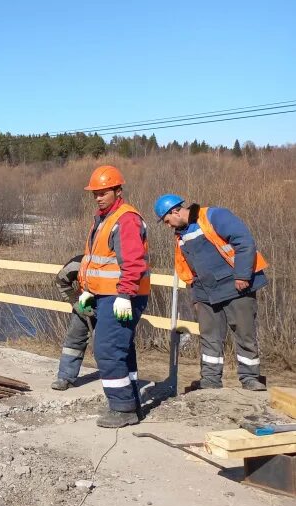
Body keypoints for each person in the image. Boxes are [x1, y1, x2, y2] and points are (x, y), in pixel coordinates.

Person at [154, 194, 268, 391]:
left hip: (237, 287)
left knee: (244, 333)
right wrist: (197, 297)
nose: (168, 226)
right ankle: (210, 379)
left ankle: (250, 378)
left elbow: (245, 242)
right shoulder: (181, 236)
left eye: (167, 221)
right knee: (209, 336)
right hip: (206, 292)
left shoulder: (214, 216)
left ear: (175, 211)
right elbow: (191, 270)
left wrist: (242, 276)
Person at [75, 165, 150, 427]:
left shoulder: (125, 219)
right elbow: (98, 263)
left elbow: (132, 261)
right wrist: (87, 290)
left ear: (118, 190)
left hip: (121, 296)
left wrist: (125, 295)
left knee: (106, 349)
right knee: (121, 349)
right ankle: (131, 404)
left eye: (103, 192)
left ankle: (122, 409)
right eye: (95, 193)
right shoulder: (103, 219)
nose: (98, 197)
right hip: (107, 295)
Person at [51, 254, 95, 391]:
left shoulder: (119, 263)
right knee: (74, 340)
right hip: (84, 302)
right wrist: (75, 302)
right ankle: (65, 377)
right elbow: (60, 281)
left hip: (111, 305)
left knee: (108, 345)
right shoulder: (78, 263)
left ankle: (116, 383)